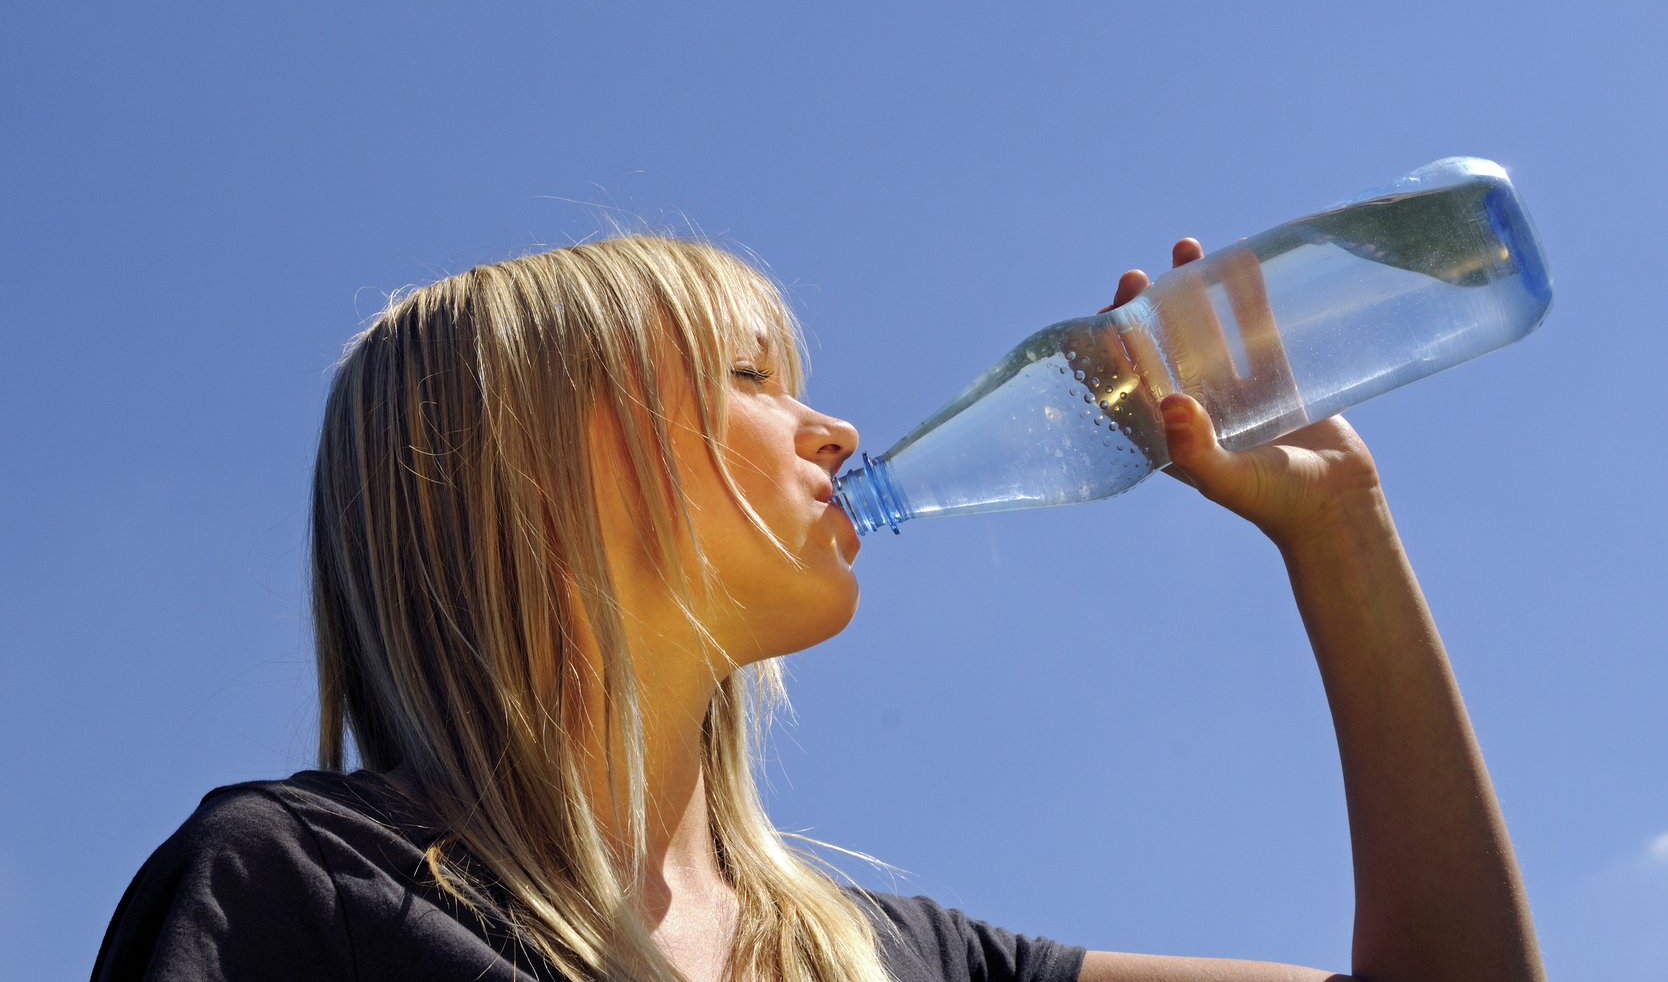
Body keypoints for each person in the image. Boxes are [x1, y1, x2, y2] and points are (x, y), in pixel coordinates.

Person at [92, 234, 1547, 982]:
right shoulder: (301, 890)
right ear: (527, 463)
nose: (834, 430)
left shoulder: (878, 954)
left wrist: (1341, 541)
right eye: (746, 376)